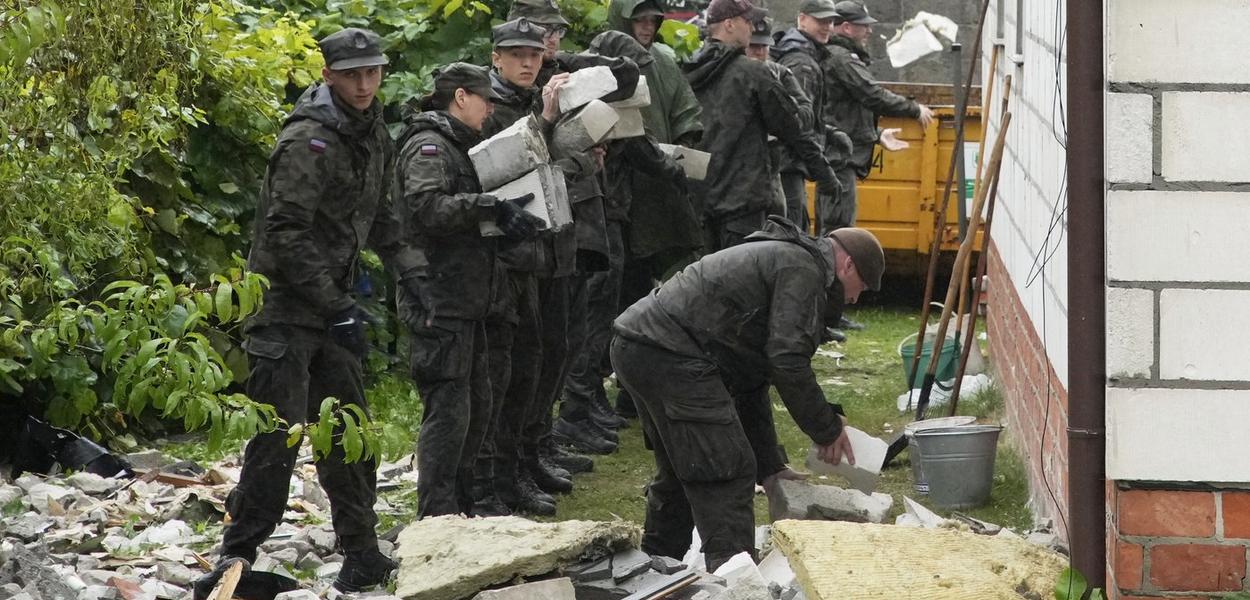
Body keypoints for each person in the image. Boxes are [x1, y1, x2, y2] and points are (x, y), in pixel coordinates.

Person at [194, 28, 427, 595]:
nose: (365, 84)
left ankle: (362, 552)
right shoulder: (309, 139)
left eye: (372, 72)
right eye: (352, 74)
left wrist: (414, 272)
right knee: (278, 438)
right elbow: (285, 231)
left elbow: (386, 217)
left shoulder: (373, 132)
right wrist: (337, 303)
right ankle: (234, 562)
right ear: (329, 76)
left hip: (330, 307)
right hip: (283, 309)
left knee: (350, 432)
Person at [611, 217, 884, 572]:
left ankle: (655, 573)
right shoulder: (803, 270)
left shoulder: (786, 259)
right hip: (671, 350)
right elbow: (788, 361)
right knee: (728, 468)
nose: (853, 298)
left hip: (642, 343)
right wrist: (827, 428)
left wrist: (771, 467)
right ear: (848, 264)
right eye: (859, 288)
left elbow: (753, 378)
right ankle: (735, 581)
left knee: (686, 467)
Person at [392, 62, 543, 520]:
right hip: (439, 300)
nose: (491, 108)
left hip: (467, 300)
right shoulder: (430, 147)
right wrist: (489, 206)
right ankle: (436, 514)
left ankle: (459, 506)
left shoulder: (459, 146)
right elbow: (425, 208)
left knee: (476, 406)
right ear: (461, 97)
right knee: (449, 411)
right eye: (485, 99)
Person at [560, 30, 689, 441]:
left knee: (597, 314)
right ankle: (580, 404)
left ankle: (588, 398)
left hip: (606, 215)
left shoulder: (593, 103)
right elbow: (646, 153)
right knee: (593, 314)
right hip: (602, 218)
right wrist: (681, 168)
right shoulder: (599, 105)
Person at [605, 0, 705, 420]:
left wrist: (683, 150)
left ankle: (636, 392)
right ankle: (614, 392)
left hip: (658, 190)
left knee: (654, 290)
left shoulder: (661, 60)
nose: (646, 26)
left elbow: (684, 110)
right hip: (618, 195)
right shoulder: (605, 61)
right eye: (639, 19)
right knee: (618, 296)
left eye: (652, 19)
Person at [683, 0, 839, 253]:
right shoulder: (752, 74)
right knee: (742, 285)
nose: (753, 28)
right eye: (748, 21)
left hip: (698, 204)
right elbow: (792, 128)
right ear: (729, 24)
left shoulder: (687, 71)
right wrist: (825, 174)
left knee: (704, 286)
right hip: (742, 206)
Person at [823, 0, 934, 231]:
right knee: (839, 230)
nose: (869, 31)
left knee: (837, 226)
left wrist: (877, 133)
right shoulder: (842, 59)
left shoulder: (837, 56)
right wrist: (914, 109)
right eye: (864, 25)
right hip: (840, 157)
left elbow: (846, 110)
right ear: (846, 27)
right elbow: (871, 94)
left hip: (840, 154)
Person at [770, 0, 846, 231]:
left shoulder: (799, 54)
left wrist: (830, 133)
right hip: (788, 165)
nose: (828, 27)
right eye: (821, 20)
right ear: (802, 19)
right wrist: (824, 173)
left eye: (831, 21)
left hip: (783, 162)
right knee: (792, 234)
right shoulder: (802, 62)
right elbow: (797, 126)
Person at [745, 17, 815, 220]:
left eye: (764, 47)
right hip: (742, 171)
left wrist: (781, 107)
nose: (760, 52)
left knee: (784, 221)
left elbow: (805, 116)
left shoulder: (780, 74)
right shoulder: (732, 74)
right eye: (754, 46)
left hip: (778, 165)